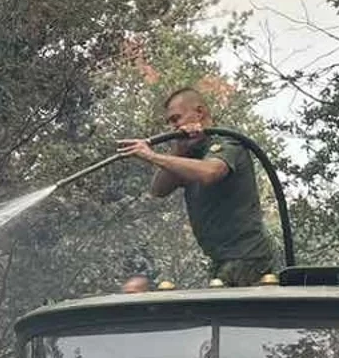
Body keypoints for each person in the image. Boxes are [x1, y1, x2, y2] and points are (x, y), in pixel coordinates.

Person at [116, 87, 281, 287]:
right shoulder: (188, 155)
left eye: (176, 119)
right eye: (170, 122)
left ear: (199, 113)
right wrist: (179, 148)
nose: (173, 126)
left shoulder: (227, 142)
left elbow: (209, 173)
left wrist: (152, 155)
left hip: (247, 256)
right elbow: (158, 190)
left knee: (218, 312)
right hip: (220, 258)